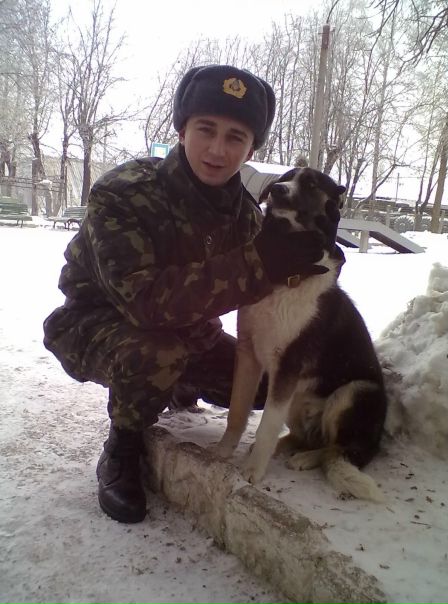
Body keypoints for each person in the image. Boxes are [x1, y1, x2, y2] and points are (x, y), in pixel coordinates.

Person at [43, 64, 333, 524]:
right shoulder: (124, 193)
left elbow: (268, 287)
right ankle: (124, 444)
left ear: (251, 148)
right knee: (157, 355)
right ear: (182, 130)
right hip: (99, 324)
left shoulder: (246, 215)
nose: (218, 149)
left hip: (191, 333)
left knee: (262, 385)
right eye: (206, 129)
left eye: (236, 137)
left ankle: (180, 382)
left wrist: (317, 264)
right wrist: (260, 263)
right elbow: (145, 303)